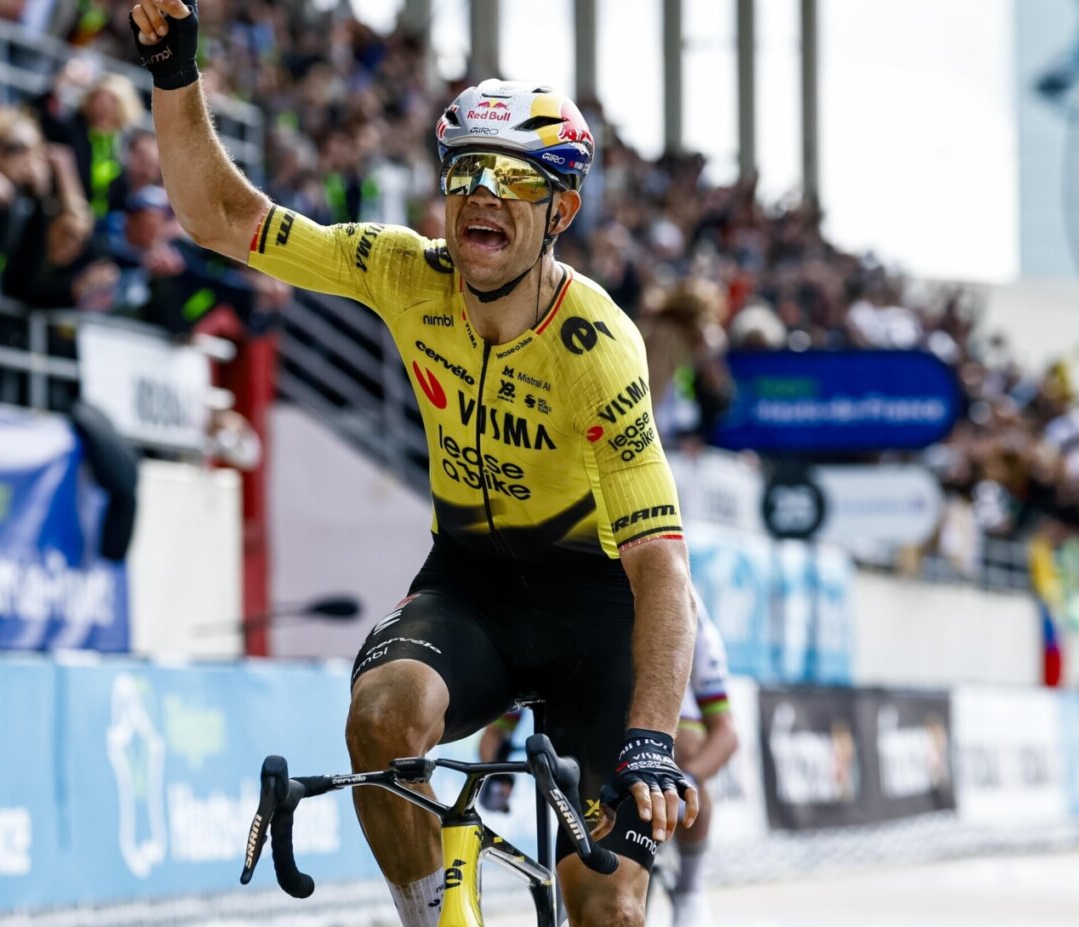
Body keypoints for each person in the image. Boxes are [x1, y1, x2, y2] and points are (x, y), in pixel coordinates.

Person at [129, 3, 699, 925]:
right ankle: (432, 917)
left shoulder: (597, 345)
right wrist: (172, 71)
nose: (480, 193)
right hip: (470, 581)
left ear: (562, 208)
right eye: (465, 170)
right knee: (381, 717)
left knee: (607, 913)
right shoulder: (403, 271)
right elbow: (221, 217)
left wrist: (649, 740)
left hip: (594, 606)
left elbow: (660, 565)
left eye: (512, 177)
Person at [477, 597, 738, 927]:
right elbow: (494, 735)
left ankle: (690, 888)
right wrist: (498, 777)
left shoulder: (687, 612)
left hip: (664, 724)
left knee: (687, 744)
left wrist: (690, 777)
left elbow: (726, 733)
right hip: (592, 715)